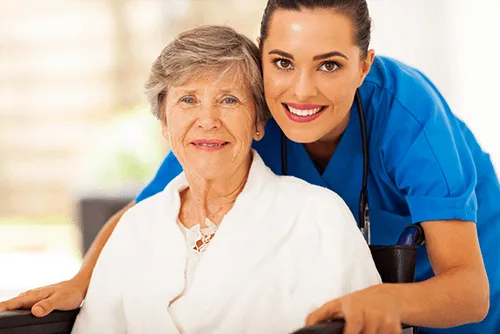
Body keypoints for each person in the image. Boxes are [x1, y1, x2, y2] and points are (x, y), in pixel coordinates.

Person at [1, 0, 498, 333]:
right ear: (263, 58)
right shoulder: (250, 106)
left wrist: (389, 301)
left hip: (457, 281)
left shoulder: (407, 118)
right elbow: (144, 210)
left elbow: (469, 290)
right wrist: (81, 282)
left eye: (329, 65)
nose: (301, 91)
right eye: (283, 62)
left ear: (364, 66)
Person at [68, 25, 381, 333]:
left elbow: (367, 326)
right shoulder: (134, 227)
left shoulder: (317, 216)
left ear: (259, 123)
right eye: (188, 100)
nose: (207, 120)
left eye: (229, 100)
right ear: (164, 123)